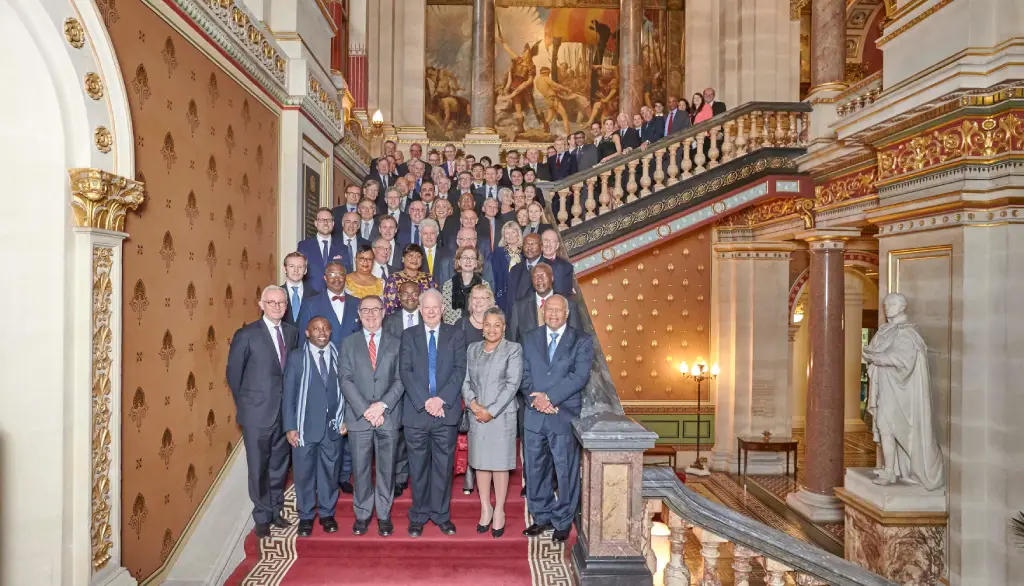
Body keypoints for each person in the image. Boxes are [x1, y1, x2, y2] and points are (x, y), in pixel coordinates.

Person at [520, 294, 594, 543]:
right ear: (543, 311)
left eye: (558, 310)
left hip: (562, 414)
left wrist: (549, 398)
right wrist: (536, 400)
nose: (553, 314)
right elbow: (524, 374)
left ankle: (563, 520)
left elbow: (579, 376)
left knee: (565, 471)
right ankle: (541, 516)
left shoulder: (581, 341)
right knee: (535, 469)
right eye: (549, 309)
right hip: (534, 415)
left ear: (566, 313)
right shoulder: (530, 338)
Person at [226, 285, 298, 538]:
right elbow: (234, 375)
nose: (277, 307)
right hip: (257, 414)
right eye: (272, 303)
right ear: (261, 304)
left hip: (284, 414)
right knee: (258, 466)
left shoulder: (292, 333)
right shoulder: (246, 334)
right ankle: (261, 515)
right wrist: (247, 405)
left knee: (279, 465)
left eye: (281, 303)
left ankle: (276, 509)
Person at [399, 289, 468, 537]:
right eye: (426, 307)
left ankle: (440, 515)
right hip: (416, 413)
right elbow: (405, 371)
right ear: (419, 308)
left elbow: (460, 370)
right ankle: (418, 515)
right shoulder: (408, 336)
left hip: (445, 413)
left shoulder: (456, 335)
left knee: (442, 465)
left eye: (435, 307)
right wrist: (425, 401)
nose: (430, 311)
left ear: (442, 309)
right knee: (417, 467)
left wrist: (441, 400)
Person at [862, 293, 944, 489]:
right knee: (884, 427)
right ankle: (890, 469)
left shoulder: (907, 333)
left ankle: (892, 471)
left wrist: (878, 357)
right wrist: (874, 355)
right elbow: (872, 351)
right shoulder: (884, 330)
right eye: (885, 304)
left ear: (902, 307)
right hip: (885, 386)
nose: (887, 307)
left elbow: (902, 359)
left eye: (892, 304)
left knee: (889, 426)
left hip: (900, 391)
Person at [339, 296, 406, 536]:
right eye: (365, 310)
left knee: (387, 469)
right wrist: (366, 409)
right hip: (359, 418)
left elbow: (401, 379)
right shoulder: (347, 343)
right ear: (358, 313)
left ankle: (384, 515)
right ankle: (363, 514)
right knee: (361, 469)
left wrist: (382, 406)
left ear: (384, 312)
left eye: (375, 310)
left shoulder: (398, 343)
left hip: (388, 416)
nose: (370, 314)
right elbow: (345, 379)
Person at [296, 261, 361, 493]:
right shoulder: (311, 303)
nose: (336, 278)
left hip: (354, 373)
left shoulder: (357, 303)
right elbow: (303, 342)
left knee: (348, 421)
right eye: (331, 274)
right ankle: (320, 475)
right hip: (323, 372)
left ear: (346, 277)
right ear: (324, 278)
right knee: (325, 421)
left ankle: (344, 474)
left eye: (340, 274)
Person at [283, 316, 346, 537]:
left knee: (330, 473)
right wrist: (290, 426)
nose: (321, 332)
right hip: (303, 428)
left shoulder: (340, 355)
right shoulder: (297, 357)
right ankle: (306, 516)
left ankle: (328, 513)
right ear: (307, 333)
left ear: (331, 332)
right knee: (303, 474)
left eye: (325, 329)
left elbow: (347, 390)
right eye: (316, 329)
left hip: (332, 427)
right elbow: (289, 394)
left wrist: (344, 418)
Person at [463, 307, 522, 538]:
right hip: (477, 415)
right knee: (481, 463)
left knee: (499, 464)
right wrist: (474, 404)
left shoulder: (513, 349)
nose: (492, 329)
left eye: (497, 324)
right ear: (482, 327)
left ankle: (499, 511)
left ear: (504, 327)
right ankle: (485, 507)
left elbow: (512, 384)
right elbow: (465, 381)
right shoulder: (472, 349)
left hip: (501, 416)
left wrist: (492, 411)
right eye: (488, 324)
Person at [382, 282, 422, 497]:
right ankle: (397, 477)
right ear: (398, 296)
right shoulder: (389, 321)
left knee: (415, 435)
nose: (409, 297)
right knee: (397, 434)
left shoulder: (428, 317)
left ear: (419, 295)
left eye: (414, 293)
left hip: (421, 385)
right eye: (405, 294)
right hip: (395, 384)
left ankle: (414, 475)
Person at [297, 207, 345, 292]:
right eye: (322, 220)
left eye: (329, 220)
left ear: (333, 223)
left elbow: (346, 274)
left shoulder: (343, 248)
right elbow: (299, 273)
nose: (326, 223)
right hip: (310, 297)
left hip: (335, 296)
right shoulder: (304, 246)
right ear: (316, 223)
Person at [382, 244, 437, 314]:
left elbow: (434, 302)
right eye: (411, 255)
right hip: (400, 320)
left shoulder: (429, 278)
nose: (415, 259)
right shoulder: (394, 278)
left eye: (418, 256)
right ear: (403, 258)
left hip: (424, 318)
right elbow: (390, 307)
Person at [442, 246, 486, 325]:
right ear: (459, 262)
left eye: (472, 258)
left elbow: (487, 312)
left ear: (476, 263)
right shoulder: (448, 285)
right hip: (454, 330)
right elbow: (446, 316)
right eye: (465, 257)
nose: (468, 261)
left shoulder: (484, 285)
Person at [489, 221, 523, 315]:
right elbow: (494, 276)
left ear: (518, 234)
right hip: (503, 295)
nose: (510, 236)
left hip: (522, 295)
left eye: (513, 232)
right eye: (507, 233)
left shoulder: (525, 252)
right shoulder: (498, 253)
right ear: (504, 236)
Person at [281, 252, 318, 326]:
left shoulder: (316, 296)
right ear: (285, 269)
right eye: (292, 266)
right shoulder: (274, 294)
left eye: (300, 267)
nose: (296, 270)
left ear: (305, 270)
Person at [419, 219, 454, 287]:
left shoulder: (448, 254)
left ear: (437, 234)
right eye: (425, 233)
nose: (429, 237)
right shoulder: (415, 254)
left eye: (432, 233)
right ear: (420, 234)